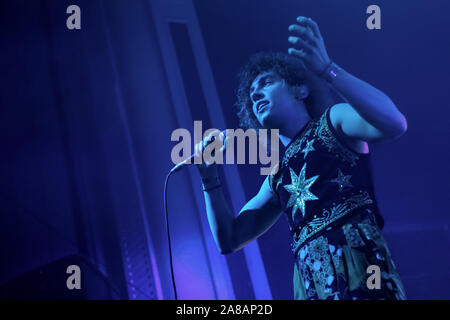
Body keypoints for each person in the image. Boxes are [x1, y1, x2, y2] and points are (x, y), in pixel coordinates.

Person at [194, 16, 407, 300]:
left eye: (266, 82)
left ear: (300, 88)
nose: (255, 93)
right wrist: (210, 179)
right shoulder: (277, 175)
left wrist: (329, 70)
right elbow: (229, 239)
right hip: (311, 286)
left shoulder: (334, 121)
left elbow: (394, 123)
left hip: (361, 272)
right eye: (252, 94)